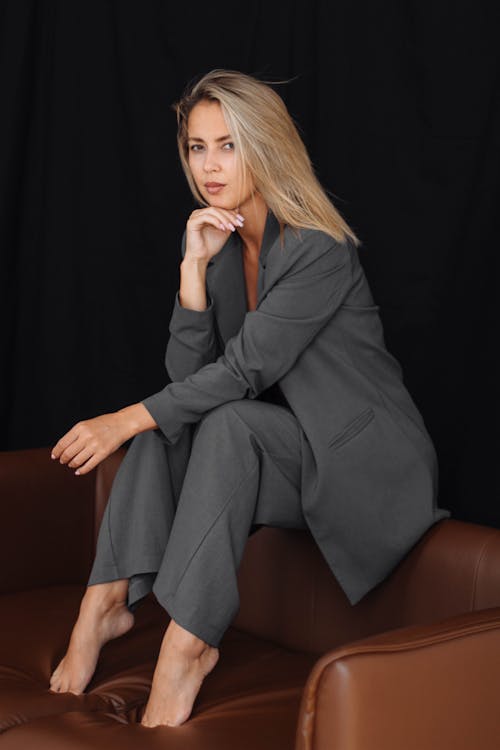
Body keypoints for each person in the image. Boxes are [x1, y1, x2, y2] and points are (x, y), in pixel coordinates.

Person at [47, 69, 451, 728]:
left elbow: (238, 375)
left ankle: (187, 645)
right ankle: (103, 605)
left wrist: (120, 420)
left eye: (228, 145)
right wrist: (193, 271)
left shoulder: (319, 249)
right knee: (172, 423)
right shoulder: (229, 245)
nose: (209, 165)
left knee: (217, 420)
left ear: (266, 146)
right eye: (197, 147)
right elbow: (187, 385)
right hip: (299, 457)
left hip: (370, 468)